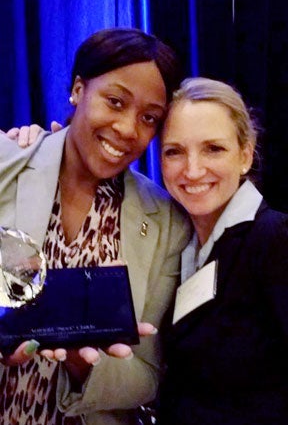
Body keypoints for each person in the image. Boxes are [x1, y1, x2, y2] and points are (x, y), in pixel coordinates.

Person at [0, 28, 191, 425]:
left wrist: (81, 361)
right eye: (115, 101)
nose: (127, 128)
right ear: (78, 89)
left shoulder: (165, 222)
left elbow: (148, 378)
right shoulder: (7, 165)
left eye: (149, 118)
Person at [156, 77, 288, 424]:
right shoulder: (180, 243)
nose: (192, 170)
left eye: (213, 149)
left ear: (246, 155)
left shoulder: (275, 238)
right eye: (174, 151)